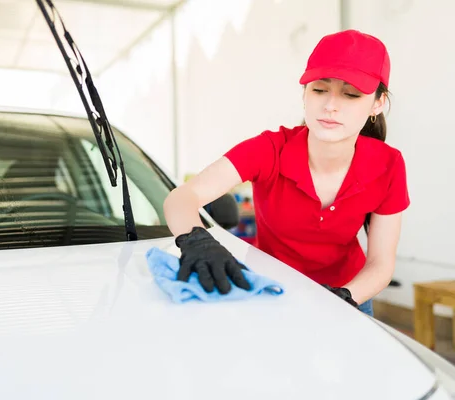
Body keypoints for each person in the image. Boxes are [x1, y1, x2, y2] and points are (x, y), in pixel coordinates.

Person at [163, 29, 410, 316]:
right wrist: (197, 241)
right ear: (304, 93)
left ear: (377, 104)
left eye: (351, 94)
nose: (330, 106)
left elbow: (380, 263)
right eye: (319, 89)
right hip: (272, 291)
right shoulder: (268, 150)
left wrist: (344, 297)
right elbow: (182, 197)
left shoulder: (389, 164)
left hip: (350, 294)